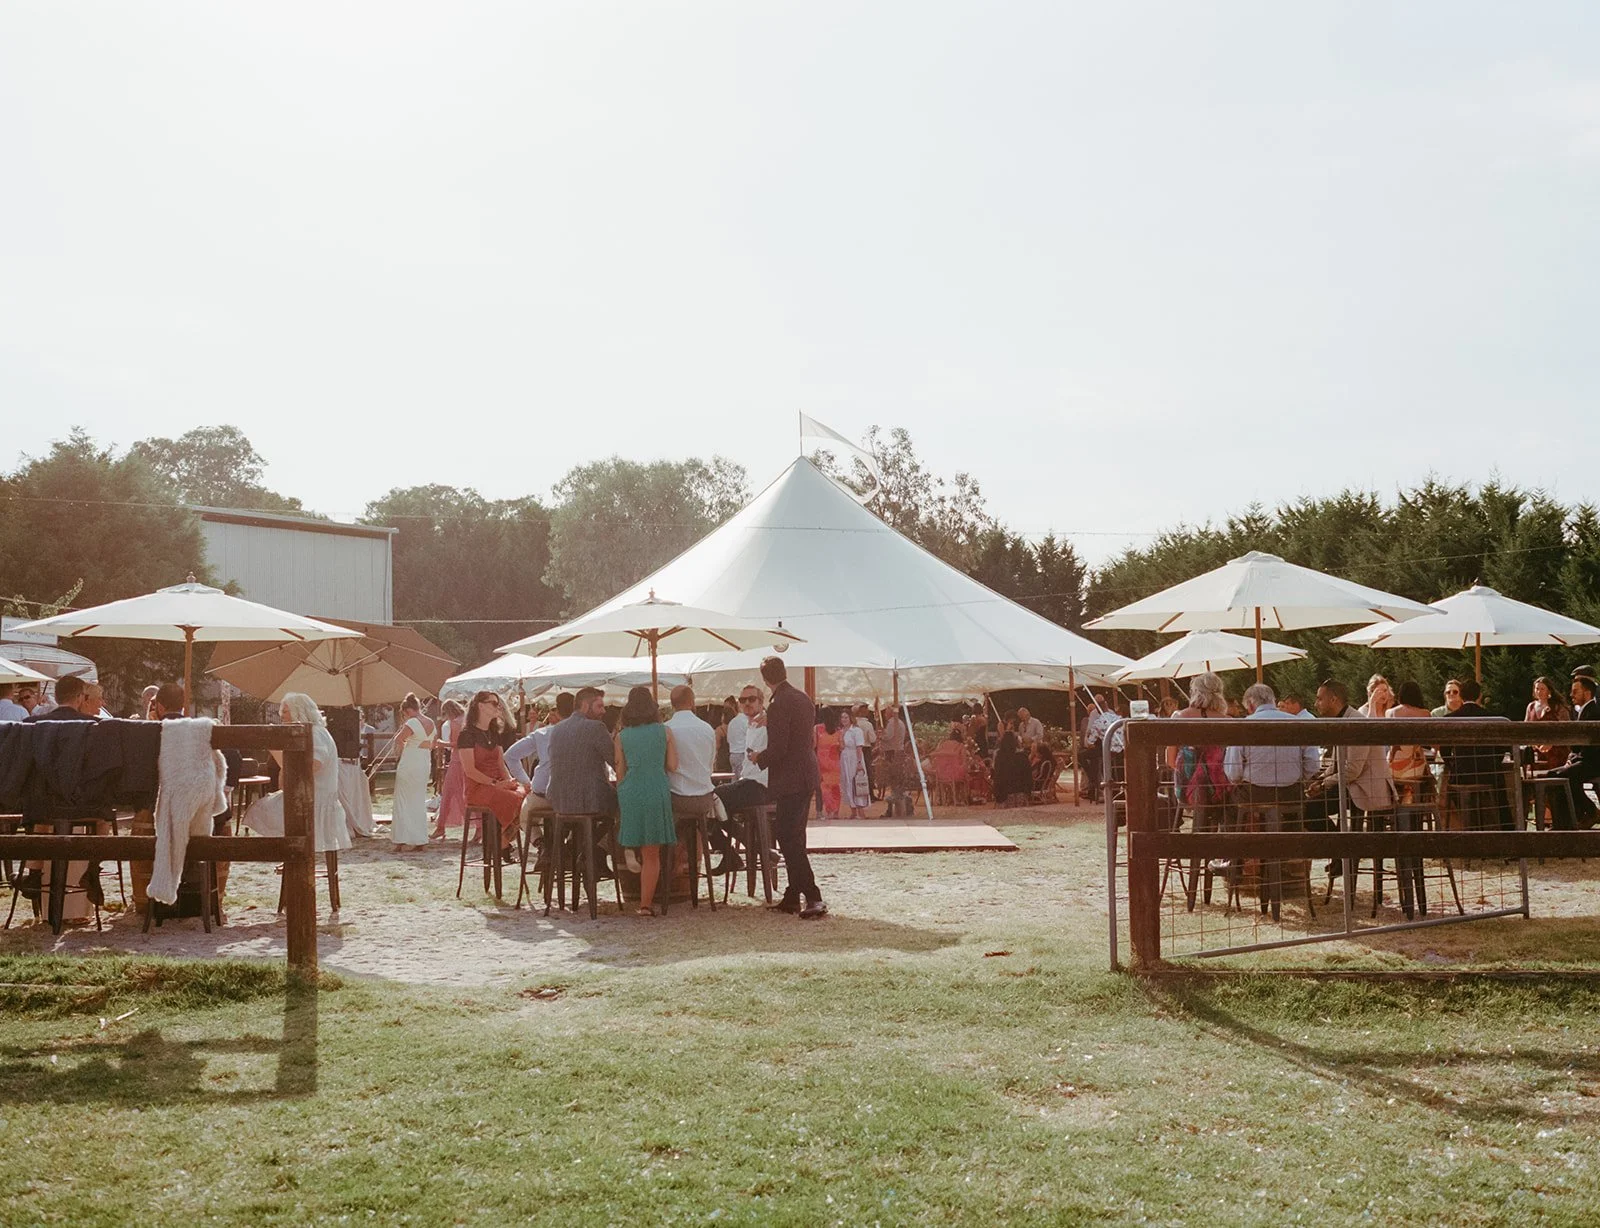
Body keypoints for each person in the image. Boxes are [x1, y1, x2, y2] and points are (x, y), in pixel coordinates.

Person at [748, 655, 825, 918]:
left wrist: (759, 758)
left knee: (786, 837)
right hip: (806, 773)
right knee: (795, 836)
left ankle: (813, 896)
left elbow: (779, 749)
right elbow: (799, 734)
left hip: (790, 778)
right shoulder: (802, 698)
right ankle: (793, 895)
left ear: (765, 678)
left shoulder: (779, 703)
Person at [1167, 672, 1231, 908]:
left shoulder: (1180, 717)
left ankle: (1195, 880)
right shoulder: (1229, 722)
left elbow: (1170, 760)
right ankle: (1223, 856)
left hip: (1186, 793)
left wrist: (1192, 774)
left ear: (1195, 692)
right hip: (1220, 794)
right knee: (1230, 808)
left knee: (1197, 803)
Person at [614, 685, 678, 916]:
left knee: (631, 832)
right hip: (655, 788)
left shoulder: (622, 736)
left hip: (631, 789)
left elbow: (620, 772)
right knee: (652, 853)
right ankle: (645, 905)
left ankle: (629, 849)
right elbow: (672, 765)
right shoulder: (665, 732)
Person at [278, 692, 352, 861]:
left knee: (261, 811)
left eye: (286, 711)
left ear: (299, 711)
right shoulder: (312, 732)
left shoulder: (315, 733)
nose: (282, 716)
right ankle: (289, 859)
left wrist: (278, 755)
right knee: (264, 808)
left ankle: (292, 858)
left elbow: (314, 765)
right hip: (310, 797)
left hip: (315, 800)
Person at [456, 690, 526, 862]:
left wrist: (509, 781)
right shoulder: (466, 735)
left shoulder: (494, 733)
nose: (499, 706)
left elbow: (501, 764)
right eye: (494, 703)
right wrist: (496, 784)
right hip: (478, 788)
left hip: (497, 785)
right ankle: (501, 844)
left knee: (526, 794)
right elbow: (469, 771)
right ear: (480, 706)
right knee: (512, 798)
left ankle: (501, 841)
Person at [1541, 666, 1600, 829]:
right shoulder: (1585, 711)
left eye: (1575, 691)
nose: (1571, 695)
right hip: (1586, 760)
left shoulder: (1593, 712)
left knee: (1557, 776)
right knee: (1554, 775)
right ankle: (1567, 820)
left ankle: (1580, 815)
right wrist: (1571, 758)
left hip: (1593, 762)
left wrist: (1572, 759)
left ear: (1587, 692)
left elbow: (1586, 747)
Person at [546, 686, 617, 818]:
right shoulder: (596, 727)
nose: (604, 711)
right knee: (629, 802)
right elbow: (615, 762)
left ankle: (582, 838)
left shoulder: (557, 728)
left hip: (559, 801)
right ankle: (599, 838)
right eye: (599, 706)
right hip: (590, 799)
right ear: (585, 706)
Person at [666, 684, 718, 823]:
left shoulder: (667, 729)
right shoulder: (707, 729)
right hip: (704, 798)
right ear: (692, 702)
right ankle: (700, 843)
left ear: (672, 705)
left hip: (677, 798)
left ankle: (673, 843)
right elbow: (711, 764)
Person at [389, 693, 435, 851]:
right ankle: (419, 838)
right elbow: (432, 743)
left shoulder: (412, 722)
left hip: (411, 761)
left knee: (403, 799)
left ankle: (402, 838)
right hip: (423, 761)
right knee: (417, 799)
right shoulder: (430, 722)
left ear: (408, 710)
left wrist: (402, 752)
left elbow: (398, 739)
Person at [1386, 680, 1432, 800]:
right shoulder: (1425, 714)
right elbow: (1429, 740)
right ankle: (1417, 810)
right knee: (1427, 776)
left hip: (1393, 764)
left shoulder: (1390, 713)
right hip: (1415, 765)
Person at [431, 699, 466, 840]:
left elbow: (458, 744)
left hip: (457, 761)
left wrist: (441, 743)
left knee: (453, 793)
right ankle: (441, 826)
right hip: (461, 760)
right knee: (454, 794)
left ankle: (441, 827)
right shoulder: (465, 720)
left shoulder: (455, 723)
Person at [1526, 675, 1572, 772]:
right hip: (1537, 752)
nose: (1539, 692)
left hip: (1556, 752)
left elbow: (1566, 729)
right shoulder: (1531, 707)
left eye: (1542, 689)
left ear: (1549, 691)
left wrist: (1552, 742)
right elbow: (1525, 728)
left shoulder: (1557, 707)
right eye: (1537, 689)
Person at [878, 705, 913, 816]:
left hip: (892, 751)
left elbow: (888, 736)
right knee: (897, 780)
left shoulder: (892, 723)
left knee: (893, 778)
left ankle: (898, 806)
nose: (884, 714)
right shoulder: (900, 722)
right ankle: (903, 803)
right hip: (898, 750)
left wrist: (880, 734)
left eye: (886, 711)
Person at [993, 716, 1032, 808]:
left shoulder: (999, 757)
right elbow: (1028, 776)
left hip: (1005, 794)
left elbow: (997, 775)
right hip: (1021, 793)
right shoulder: (1023, 757)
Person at [22, 674, 99, 721]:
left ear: (55, 696)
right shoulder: (93, 724)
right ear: (79, 697)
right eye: (85, 696)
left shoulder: (31, 722)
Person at [839, 709, 870, 819]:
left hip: (854, 757)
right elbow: (841, 746)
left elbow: (859, 747)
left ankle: (861, 810)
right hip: (845, 757)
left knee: (856, 782)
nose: (844, 720)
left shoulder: (856, 731)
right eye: (842, 718)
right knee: (847, 782)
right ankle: (853, 810)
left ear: (850, 718)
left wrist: (859, 762)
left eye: (846, 717)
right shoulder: (842, 731)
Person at [813, 707, 843, 819]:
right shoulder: (839, 730)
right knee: (835, 786)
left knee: (823, 786)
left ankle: (829, 810)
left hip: (821, 759)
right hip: (834, 760)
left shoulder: (817, 728)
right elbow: (842, 746)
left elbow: (814, 745)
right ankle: (836, 812)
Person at [725, 692, 750, 778]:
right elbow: (750, 738)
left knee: (734, 781)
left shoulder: (732, 722)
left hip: (733, 754)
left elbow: (728, 740)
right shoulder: (745, 721)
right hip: (741, 754)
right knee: (742, 782)